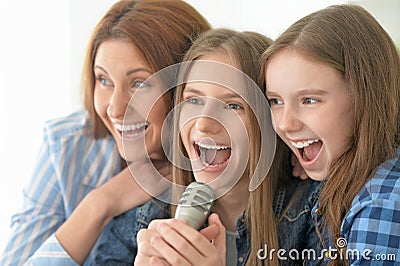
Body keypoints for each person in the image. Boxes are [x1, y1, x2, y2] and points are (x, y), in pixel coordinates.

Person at [0, 1, 211, 265]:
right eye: (103, 80)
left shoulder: (219, 165)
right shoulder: (67, 143)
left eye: (138, 83)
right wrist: (100, 203)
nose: (115, 108)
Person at [96, 28, 322, 265]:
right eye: (193, 100)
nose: (203, 123)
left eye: (233, 106)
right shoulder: (148, 217)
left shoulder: (311, 214)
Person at [263, 4, 400, 265]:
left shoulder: (382, 203)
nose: (285, 124)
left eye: (310, 100)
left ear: (366, 98)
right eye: (276, 101)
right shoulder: (344, 180)